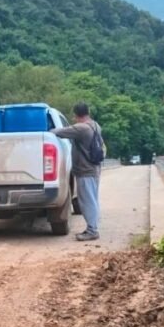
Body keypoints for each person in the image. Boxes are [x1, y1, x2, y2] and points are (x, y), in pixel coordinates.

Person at [52, 102, 104, 241]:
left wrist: (49, 130)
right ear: (88, 112)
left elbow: (59, 132)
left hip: (85, 170)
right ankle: (92, 228)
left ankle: (92, 231)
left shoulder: (81, 128)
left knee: (87, 201)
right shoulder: (95, 125)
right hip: (94, 168)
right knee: (92, 199)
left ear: (76, 115)